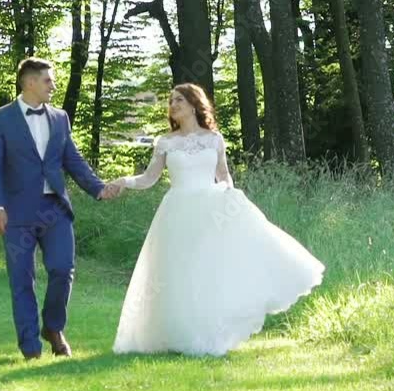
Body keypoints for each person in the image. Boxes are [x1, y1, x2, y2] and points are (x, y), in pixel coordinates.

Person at [110, 83, 325, 356]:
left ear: (193, 104)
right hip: (177, 211)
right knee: (174, 272)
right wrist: (124, 182)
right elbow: (149, 178)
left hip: (210, 211)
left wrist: (230, 198)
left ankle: (206, 334)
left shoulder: (214, 139)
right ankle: (175, 333)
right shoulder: (166, 142)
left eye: (178, 100)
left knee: (204, 270)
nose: (172, 105)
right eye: (171, 101)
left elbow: (223, 175)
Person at [0, 58, 122, 360]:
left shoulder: (60, 118)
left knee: (62, 270)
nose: (53, 85)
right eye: (48, 80)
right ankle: (31, 349)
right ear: (29, 82)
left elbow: (72, 159)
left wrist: (99, 188)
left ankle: (53, 328)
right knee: (22, 279)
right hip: (16, 213)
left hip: (55, 210)